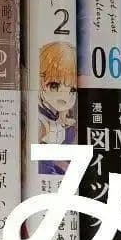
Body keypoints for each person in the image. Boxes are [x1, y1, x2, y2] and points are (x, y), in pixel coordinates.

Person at [37, 40, 77, 174]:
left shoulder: (64, 123)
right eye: (54, 86)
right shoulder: (39, 121)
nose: (64, 97)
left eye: (72, 90)